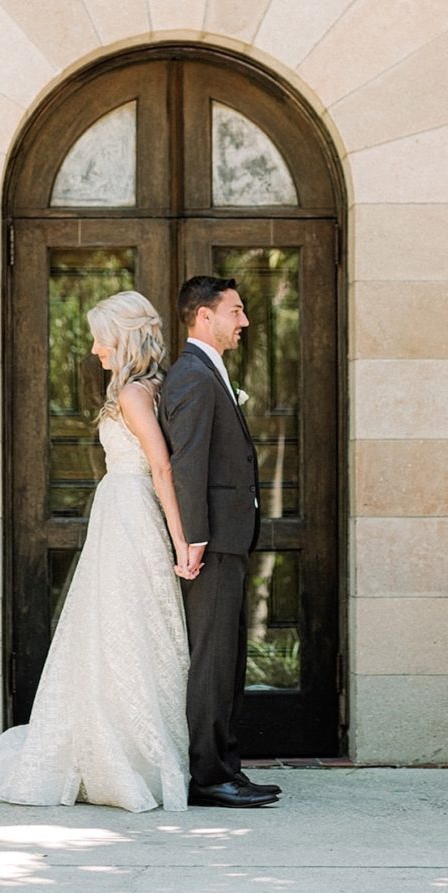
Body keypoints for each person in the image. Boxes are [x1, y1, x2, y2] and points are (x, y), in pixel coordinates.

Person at [0, 290, 194, 812]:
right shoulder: (152, 387)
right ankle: (129, 746)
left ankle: (122, 752)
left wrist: (181, 539)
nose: (94, 349)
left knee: (120, 626)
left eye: (100, 338)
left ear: (122, 338)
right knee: (121, 625)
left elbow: (162, 467)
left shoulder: (136, 395)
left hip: (130, 513)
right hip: (124, 513)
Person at [159, 277, 281, 810]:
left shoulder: (208, 372)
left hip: (229, 538)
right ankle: (208, 775)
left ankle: (226, 765)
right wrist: (194, 538)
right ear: (203, 317)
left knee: (227, 657)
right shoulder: (192, 376)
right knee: (211, 659)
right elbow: (186, 465)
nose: (245, 321)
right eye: (235, 310)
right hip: (210, 544)